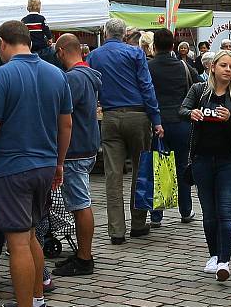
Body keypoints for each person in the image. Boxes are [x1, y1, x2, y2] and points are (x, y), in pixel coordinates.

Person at [0, 21, 72, 307]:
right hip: (43, 166)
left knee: (17, 243)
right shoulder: (56, 74)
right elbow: (66, 125)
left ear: (2, 43)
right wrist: (59, 163)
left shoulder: (2, 76)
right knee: (30, 237)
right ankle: (36, 300)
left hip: (13, 167)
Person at [87, 19, 163, 244]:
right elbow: (146, 86)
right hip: (138, 116)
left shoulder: (94, 56)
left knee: (113, 175)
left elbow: (92, 86)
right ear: (125, 34)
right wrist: (156, 118)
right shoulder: (136, 54)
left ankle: (116, 230)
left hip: (110, 116)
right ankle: (138, 224)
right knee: (140, 171)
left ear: (105, 32)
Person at [180, 50, 231, 281]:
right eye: (223, 65)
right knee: (209, 213)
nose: (228, 70)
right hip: (202, 160)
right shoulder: (199, 90)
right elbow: (181, 110)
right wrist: (193, 113)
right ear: (213, 67)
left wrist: (229, 119)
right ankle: (213, 255)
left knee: (225, 212)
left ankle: (224, 261)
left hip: (229, 162)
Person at [52, 34, 101, 277]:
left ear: (61, 52)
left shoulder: (73, 78)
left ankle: (84, 258)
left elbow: (63, 116)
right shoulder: (88, 74)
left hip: (75, 149)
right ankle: (82, 253)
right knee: (79, 202)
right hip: (87, 145)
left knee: (80, 203)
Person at [148, 29, 201, 228]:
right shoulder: (184, 67)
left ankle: (156, 215)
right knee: (182, 167)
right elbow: (200, 87)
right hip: (181, 123)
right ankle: (186, 211)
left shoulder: (148, 67)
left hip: (158, 124)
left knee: (158, 167)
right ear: (173, 46)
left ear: (154, 46)